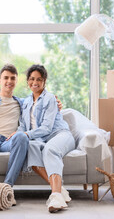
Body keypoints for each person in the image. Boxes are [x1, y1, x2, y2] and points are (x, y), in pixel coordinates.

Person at [8, 64, 76, 213]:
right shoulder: (25, 102)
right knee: (30, 149)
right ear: (27, 81)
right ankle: (58, 189)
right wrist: (18, 134)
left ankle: (56, 197)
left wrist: (26, 134)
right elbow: (24, 126)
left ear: (44, 81)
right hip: (40, 139)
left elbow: (46, 128)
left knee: (50, 150)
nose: (35, 82)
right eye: (31, 79)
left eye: (39, 79)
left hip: (59, 134)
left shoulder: (50, 98)